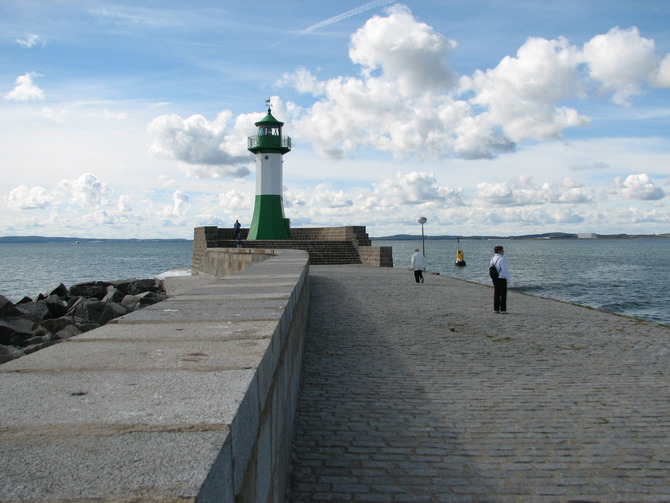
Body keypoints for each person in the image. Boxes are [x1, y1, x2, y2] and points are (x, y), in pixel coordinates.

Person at [490, 245, 511, 313]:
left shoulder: (492, 259)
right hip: (501, 278)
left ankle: (496, 309)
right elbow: (505, 270)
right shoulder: (502, 259)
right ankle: (503, 309)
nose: (503, 251)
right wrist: (508, 279)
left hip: (494, 278)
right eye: (502, 250)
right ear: (499, 251)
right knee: (503, 294)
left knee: (496, 293)